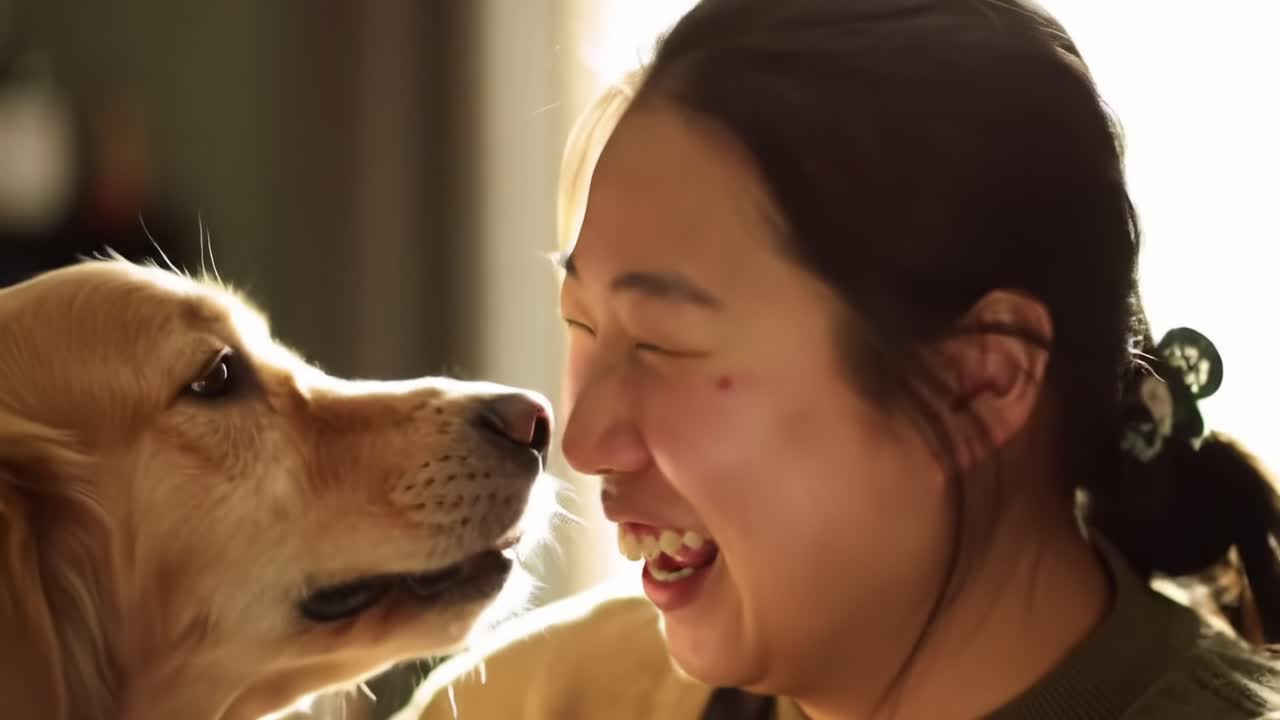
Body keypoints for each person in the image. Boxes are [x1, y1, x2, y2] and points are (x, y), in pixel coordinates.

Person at [407, 1, 1280, 718]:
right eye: (581, 324)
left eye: (661, 341)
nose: (584, 442)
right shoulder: (532, 703)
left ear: (980, 381)